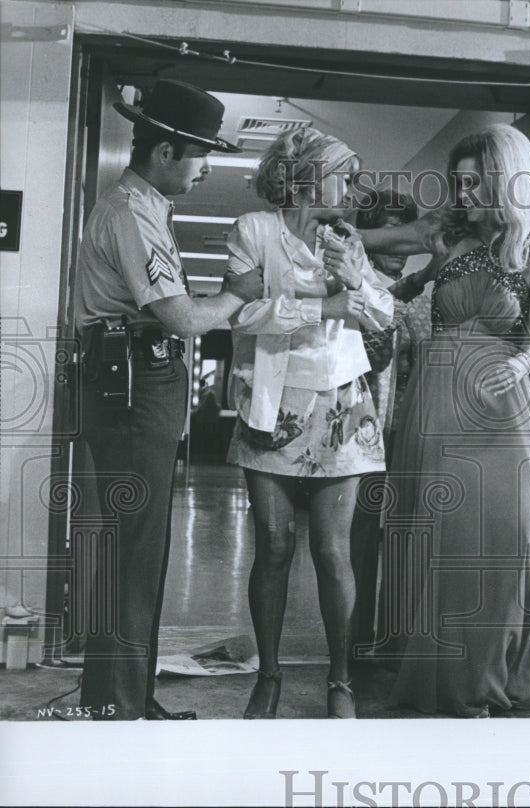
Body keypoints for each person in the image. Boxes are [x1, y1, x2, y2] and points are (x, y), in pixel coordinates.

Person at [75, 79, 264, 720]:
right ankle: (121, 708)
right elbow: (183, 319)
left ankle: (123, 697)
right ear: (166, 152)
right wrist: (239, 293)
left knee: (140, 548)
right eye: (201, 155)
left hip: (136, 381)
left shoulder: (146, 206)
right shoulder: (132, 211)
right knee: (135, 549)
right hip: (132, 384)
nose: (207, 166)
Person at [379, 124, 530, 717]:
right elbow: (396, 287)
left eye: (472, 181)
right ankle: (442, 677)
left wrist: (522, 363)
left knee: (509, 537)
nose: (461, 193)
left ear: (506, 180)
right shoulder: (449, 242)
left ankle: (491, 676)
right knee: (439, 537)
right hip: (436, 402)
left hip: (501, 403)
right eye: (456, 182)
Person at [225, 127, 393, 718]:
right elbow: (240, 314)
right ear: (306, 176)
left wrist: (354, 278)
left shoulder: (347, 239)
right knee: (272, 545)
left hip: (341, 406)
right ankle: (268, 676)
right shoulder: (255, 231)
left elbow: (381, 317)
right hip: (271, 405)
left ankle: (339, 682)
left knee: (332, 550)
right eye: (343, 175)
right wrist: (323, 305)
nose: (352, 187)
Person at [349, 189, 431, 661]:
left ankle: (396, 644)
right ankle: (355, 644)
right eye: (390, 232)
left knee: (405, 538)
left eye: (407, 233)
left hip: (407, 431)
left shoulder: (423, 293)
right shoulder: (353, 283)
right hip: (362, 436)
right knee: (358, 543)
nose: (400, 246)